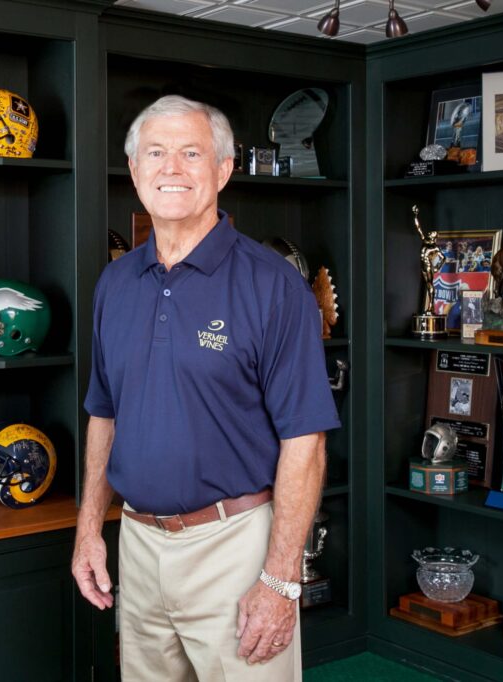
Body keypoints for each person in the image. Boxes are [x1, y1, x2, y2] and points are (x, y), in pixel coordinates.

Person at [71, 95, 340, 681]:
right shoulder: (114, 284)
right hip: (138, 544)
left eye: (191, 153)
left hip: (235, 547)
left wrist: (280, 579)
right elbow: (104, 414)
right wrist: (90, 529)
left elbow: (306, 442)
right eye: (155, 153)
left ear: (223, 169)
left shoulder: (274, 287)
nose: (172, 168)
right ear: (134, 170)